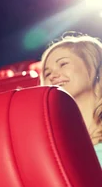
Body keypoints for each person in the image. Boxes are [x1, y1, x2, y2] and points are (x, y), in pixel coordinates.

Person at [41, 33, 102, 166]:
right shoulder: (48, 139)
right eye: (47, 73)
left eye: (63, 64)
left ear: (94, 66)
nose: (53, 76)